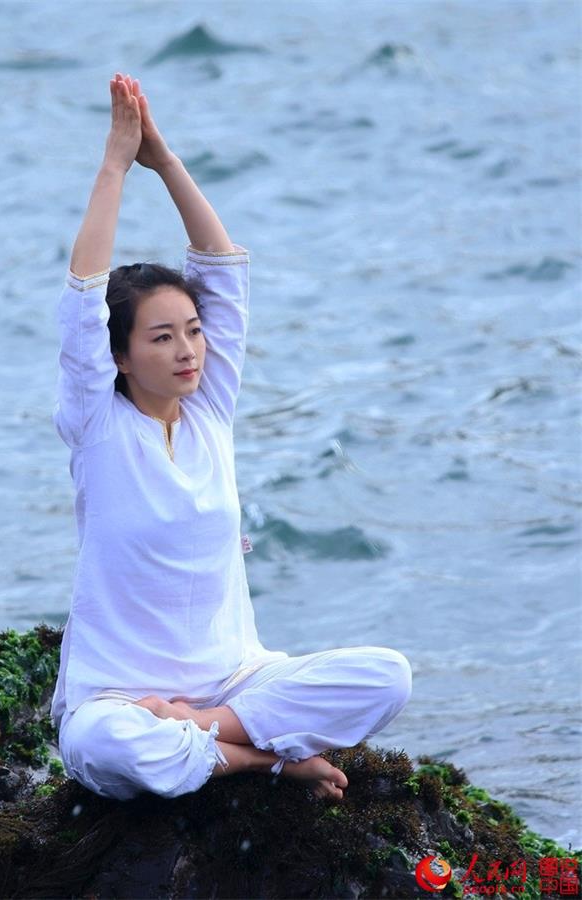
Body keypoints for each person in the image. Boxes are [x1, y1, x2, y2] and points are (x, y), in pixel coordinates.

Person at [52, 72, 412, 804]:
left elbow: (221, 270)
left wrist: (164, 160)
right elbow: (83, 298)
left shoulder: (208, 408)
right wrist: (115, 165)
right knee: (100, 743)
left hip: (235, 680)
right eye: (162, 337)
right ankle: (264, 761)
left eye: (193, 331)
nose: (188, 350)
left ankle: (210, 733)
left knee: (387, 676)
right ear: (120, 357)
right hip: (123, 696)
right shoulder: (98, 426)